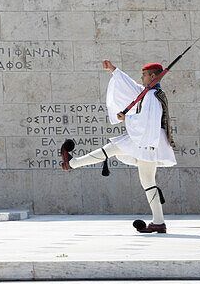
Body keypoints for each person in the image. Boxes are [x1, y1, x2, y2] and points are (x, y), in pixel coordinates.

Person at [61, 60, 177, 233]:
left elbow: (147, 120)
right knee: (147, 181)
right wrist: (115, 71)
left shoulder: (152, 96)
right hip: (150, 141)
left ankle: (72, 163)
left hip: (146, 140)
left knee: (112, 148)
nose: (142, 77)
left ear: (153, 76)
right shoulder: (151, 92)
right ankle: (159, 222)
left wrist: (127, 119)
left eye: (144, 75)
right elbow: (133, 88)